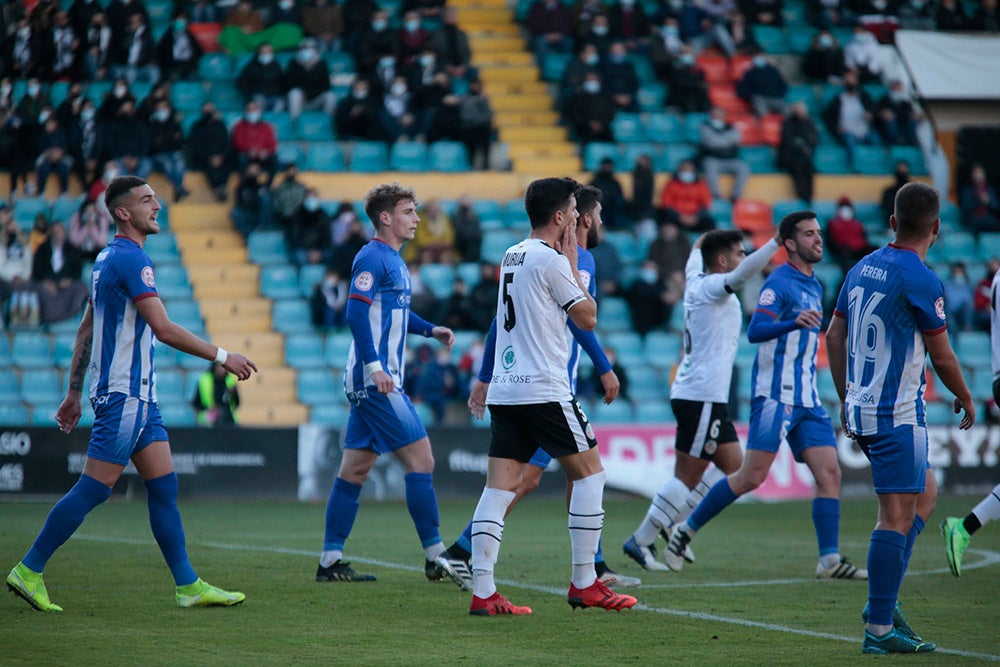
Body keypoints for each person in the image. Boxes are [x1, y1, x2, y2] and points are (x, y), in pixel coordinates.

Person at [6, 176, 258, 613]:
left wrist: (73, 392)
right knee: (96, 488)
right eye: (146, 200)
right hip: (125, 395)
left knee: (164, 486)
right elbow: (162, 328)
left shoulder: (105, 260)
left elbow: (87, 329)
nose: (156, 206)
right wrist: (221, 355)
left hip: (139, 397)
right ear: (123, 213)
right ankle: (28, 570)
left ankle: (188, 586)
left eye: (156, 198)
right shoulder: (131, 259)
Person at [435, 185, 640, 593]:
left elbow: (499, 320)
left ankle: (483, 579)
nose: (598, 221)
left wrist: (487, 374)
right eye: (595, 214)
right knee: (581, 474)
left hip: (513, 389)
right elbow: (584, 319)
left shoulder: (513, 254)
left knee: (516, 482)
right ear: (574, 217)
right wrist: (604, 366)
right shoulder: (569, 261)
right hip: (546, 387)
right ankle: (585, 576)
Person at [665, 211, 867, 583]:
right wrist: (793, 321)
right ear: (789, 243)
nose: (818, 239)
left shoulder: (816, 285)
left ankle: (829, 560)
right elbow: (756, 330)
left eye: (818, 233)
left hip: (807, 397)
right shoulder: (778, 283)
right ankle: (684, 531)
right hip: (775, 396)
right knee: (751, 476)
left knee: (830, 473)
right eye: (808, 234)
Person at [825, 182, 975, 654]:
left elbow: (833, 337)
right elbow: (943, 355)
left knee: (924, 494)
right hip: (895, 415)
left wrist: (847, 396)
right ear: (936, 228)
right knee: (894, 517)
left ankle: (881, 604)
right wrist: (968, 397)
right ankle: (880, 627)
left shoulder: (862, 265)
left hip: (864, 407)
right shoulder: (921, 278)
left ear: (892, 222)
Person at [317, 183, 455, 584]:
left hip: (373, 378)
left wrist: (430, 331)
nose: (416, 219)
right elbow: (356, 315)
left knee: (355, 470)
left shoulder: (393, 260)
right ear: (385, 218)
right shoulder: (372, 256)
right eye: (409, 212)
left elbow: (396, 313)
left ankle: (329, 561)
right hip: (374, 379)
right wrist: (376, 367)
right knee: (422, 460)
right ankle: (435, 554)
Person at [623, 227, 780, 570]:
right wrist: (775, 242)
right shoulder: (712, 286)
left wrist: (712, 235)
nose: (742, 258)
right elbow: (741, 273)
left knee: (735, 469)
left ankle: (673, 524)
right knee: (687, 476)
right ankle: (641, 539)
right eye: (738, 252)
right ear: (722, 261)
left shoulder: (695, 274)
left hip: (704, 396)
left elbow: (697, 246)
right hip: (701, 397)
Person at [699, 106, 750, 203]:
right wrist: (727, 140)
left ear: (724, 116)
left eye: (719, 114)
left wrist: (719, 140)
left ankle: (736, 196)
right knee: (709, 165)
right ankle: (716, 194)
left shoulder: (731, 126)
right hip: (714, 158)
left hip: (729, 159)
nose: (716, 117)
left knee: (743, 167)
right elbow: (711, 142)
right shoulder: (705, 126)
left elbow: (737, 139)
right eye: (714, 115)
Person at [779, 102, 820, 204]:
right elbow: (787, 140)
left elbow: (814, 139)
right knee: (798, 166)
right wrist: (800, 147)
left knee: (809, 167)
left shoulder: (809, 123)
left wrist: (806, 147)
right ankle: (802, 195)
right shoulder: (788, 123)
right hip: (791, 156)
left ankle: (809, 195)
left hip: (805, 156)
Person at [191, 362, 240, 427]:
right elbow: (196, 403)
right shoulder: (204, 380)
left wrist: (233, 393)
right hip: (207, 420)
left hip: (228, 419)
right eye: (220, 366)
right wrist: (209, 409)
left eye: (224, 367)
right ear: (214, 366)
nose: (222, 369)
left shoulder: (230, 381)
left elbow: (236, 403)